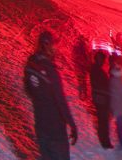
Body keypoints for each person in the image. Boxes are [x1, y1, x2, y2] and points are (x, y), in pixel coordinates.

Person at [24, 31, 78, 159]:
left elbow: (28, 90)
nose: (56, 49)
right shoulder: (50, 70)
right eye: (54, 45)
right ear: (48, 46)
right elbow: (60, 100)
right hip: (55, 127)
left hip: (41, 123)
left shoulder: (30, 66)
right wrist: (72, 125)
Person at [90, 50, 113, 149]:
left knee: (103, 120)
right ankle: (105, 142)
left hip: (101, 98)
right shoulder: (96, 70)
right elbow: (98, 85)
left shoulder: (97, 69)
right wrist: (107, 92)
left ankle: (105, 140)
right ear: (98, 59)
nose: (103, 62)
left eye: (103, 60)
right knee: (103, 121)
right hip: (101, 99)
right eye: (102, 59)